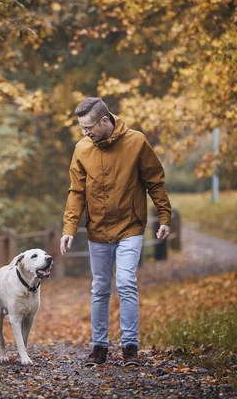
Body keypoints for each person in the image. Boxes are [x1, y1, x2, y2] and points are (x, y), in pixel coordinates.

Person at [60, 97, 172, 367]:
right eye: (81, 128)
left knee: (125, 282)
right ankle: (99, 348)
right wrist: (70, 228)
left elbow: (155, 181)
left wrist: (164, 217)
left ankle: (130, 348)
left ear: (105, 120)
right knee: (99, 288)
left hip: (130, 227)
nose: (86, 133)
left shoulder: (136, 142)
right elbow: (76, 192)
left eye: (89, 127)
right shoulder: (82, 148)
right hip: (97, 229)